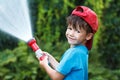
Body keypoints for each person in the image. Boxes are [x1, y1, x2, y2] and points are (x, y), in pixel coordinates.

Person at [39, 6, 99, 80]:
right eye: (70, 28)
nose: (71, 34)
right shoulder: (82, 51)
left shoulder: (73, 53)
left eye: (77, 31)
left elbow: (56, 77)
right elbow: (62, 70)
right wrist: (50, 58)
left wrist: (44, 65)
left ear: (88, 36)